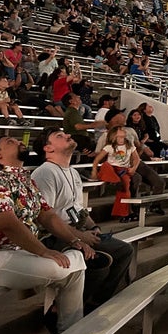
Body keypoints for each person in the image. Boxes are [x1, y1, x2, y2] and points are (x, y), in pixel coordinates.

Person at [0, 135, 90, 334]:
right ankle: (68, 332)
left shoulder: (24, 178)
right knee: (62, 266)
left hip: (21, 252)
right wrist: (44, 251)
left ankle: (70, 333)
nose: (19, 142)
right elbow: (6, 223)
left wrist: (75, 240)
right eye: (10, 141)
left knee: (74, 268)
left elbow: (47, 216)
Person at [32, 127, 133, 311]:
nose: (68, 135)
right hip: (54, 237)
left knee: (124, 250)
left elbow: (78, 210)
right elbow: (46, 219)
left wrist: (93, 227)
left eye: (66, 133)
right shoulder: (45, 173)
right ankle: (62, 309)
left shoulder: (73, 173)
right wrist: (79, 237)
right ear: (48, 148)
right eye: (60, 136)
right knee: (98, 262)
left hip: (76, 230)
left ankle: (95, 304)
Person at [92, 126, 140, 222]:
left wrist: (133, 168)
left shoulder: (130, 146)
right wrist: (94, 170)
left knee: (125, 188)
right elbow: (97, 160)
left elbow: (137, 159)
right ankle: (116, 181)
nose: (123, 130)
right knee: (106, 166)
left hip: (123, 170)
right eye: (120, 130)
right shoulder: (109, 147)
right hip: (112, 169)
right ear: (115, 135)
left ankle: (125, 213)